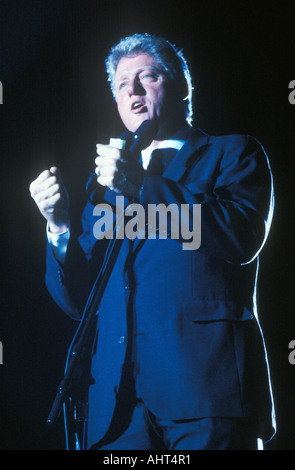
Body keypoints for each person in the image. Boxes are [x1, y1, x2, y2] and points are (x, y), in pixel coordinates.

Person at [29, 33, 276, 450]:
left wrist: (143, 186)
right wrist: (57, 227)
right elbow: (79, 302)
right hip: (117, 407)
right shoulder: (103, 186)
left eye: (148, 76)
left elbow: (239, 236)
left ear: (182, 87)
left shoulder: (233, 154)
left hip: (206, 394)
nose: (134, 90)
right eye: (122, 84)